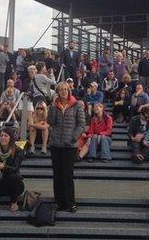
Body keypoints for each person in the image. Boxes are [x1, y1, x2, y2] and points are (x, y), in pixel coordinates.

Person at [48, 82, 85, 213]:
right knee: (57, 175)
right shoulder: (54, 105)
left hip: (70, 145)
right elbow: (50, 122)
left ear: (69, 91)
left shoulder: (77, 104)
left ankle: (70, 202)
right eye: (61, 89)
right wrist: (52, 106)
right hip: (55, 144)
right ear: (57, 92)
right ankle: (58, 202)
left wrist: (73, 137)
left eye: (66, 89)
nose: (64, 91)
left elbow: (81, 124)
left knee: (67, 174)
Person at [0, 127, 26, 212]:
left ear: (11, 138)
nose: (3, 138)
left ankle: (14, 202)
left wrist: (3, 167)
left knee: (13, 176)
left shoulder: (18, 150)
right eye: (1, 136)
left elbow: (15, 168)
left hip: (14, 185)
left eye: (6, 136)